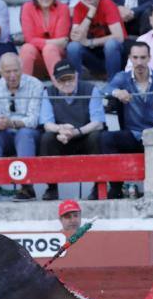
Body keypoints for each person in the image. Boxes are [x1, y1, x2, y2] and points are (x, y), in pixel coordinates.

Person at [101, 41, 153, 199]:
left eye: (143, 57)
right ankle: (116, 187)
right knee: (107, 137)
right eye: (136, 57)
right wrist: (117, 91)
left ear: (149, 58)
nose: (139, 62)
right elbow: (105, 89)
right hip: (133, 135)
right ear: (130, 59)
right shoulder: (122, 78)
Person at [39, 59, 105, 200]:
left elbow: (98, 122)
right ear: (55, 80)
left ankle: (98, 187)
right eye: (62, 80)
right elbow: (46, 123)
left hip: (85, 136)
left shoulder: (90, 89)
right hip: (62, 138)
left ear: (76, 75)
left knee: (98, 136)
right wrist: (61, 129)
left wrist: (76, 132)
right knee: (47, 138)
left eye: (70, 78)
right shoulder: (48, 92)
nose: (67, 83)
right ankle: (51, 188)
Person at [0, 52, 43, 201]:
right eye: (8, 72)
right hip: (6, 131)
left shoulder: (35, 84)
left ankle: (27, 187)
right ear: (0, 72)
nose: (12, 75)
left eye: (16, 71)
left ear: (21, 69)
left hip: (28, 132)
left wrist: (12, 123)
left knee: (24, 133)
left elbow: (33, 120)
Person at [67, 0, 125, 81]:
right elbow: (75, 38)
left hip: (114, 55)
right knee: (73, 47)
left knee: (111, 44)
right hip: (93, 57)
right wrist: (90, 14)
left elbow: (119, 37)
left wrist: (91, 42)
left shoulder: (107, 4)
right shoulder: (78, 7)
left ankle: (113, 84)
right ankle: (77, 86)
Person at [20, 0, 70, 79]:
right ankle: (23, 90)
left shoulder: (63, 8)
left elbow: (61, 42)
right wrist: (50, 42)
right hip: (36, 61)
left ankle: (61, 89)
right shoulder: (27, 8)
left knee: (50, 49)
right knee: (26, 48)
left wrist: (44, 43)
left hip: (56, 58)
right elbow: (29, 39)